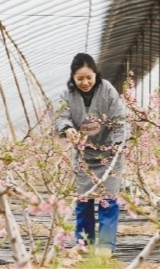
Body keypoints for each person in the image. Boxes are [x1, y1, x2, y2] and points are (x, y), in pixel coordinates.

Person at [54, 53, 129, 259]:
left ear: (96, 74)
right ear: (73, 78)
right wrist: (67, 128)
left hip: (110, 154)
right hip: (84, 155)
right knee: (83, 201)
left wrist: (117, 147)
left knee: (108, 199)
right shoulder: (68, 95)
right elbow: (61, 117)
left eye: (89, 77)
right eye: (80, 79)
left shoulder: (108, 91)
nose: (85, 82)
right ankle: (84, 243)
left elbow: (120, 120)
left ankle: (105, 246)